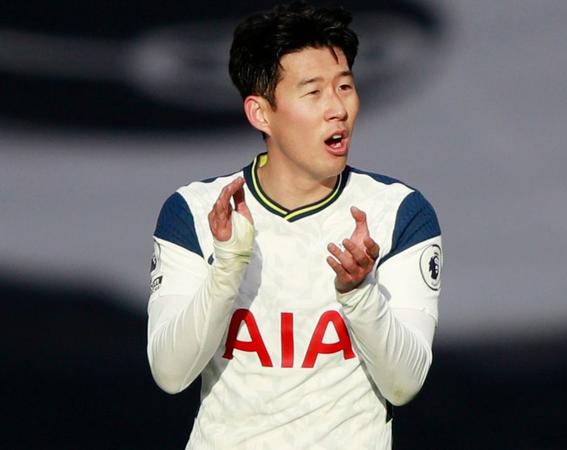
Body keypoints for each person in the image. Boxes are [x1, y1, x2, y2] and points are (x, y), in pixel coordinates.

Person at [146, 3, 442, 448]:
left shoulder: (399, 213)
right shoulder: (195, 211)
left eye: (345, 86)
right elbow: (171, 373)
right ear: (260, 113)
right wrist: (228, 264)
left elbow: (404, 383)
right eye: (313, 91)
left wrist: (358, 292)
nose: (337, 108)